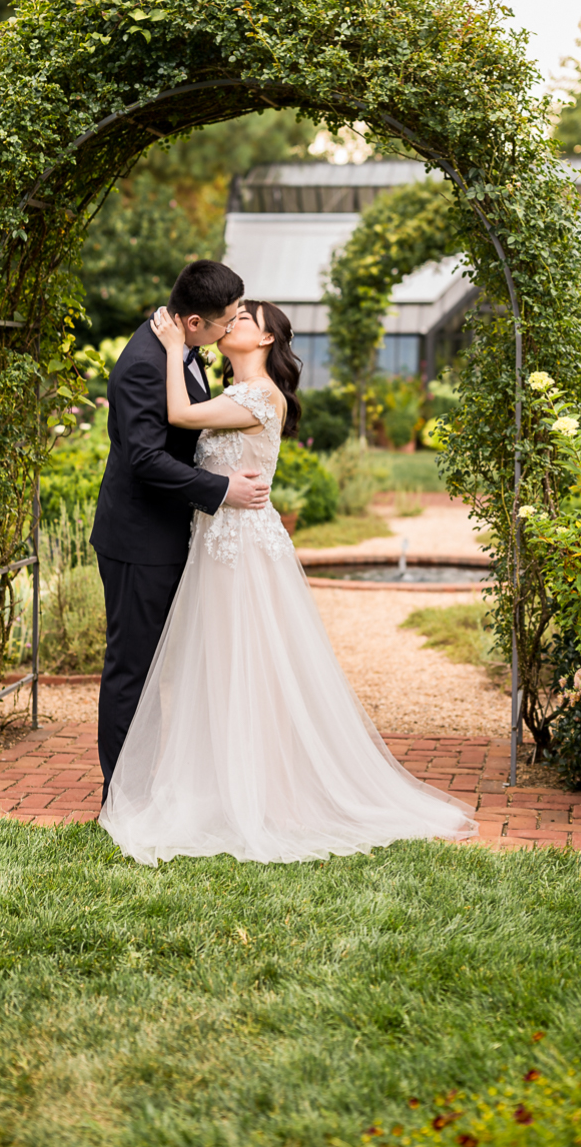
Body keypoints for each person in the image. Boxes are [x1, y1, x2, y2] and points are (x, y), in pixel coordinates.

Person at [99, 298, 478, 864]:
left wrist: (177, 347)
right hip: (213, 543)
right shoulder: (225, 391)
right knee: (216, 670)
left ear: (267, 340)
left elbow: (178, 418)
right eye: (229, 317)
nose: (232, 325)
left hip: (242, 549)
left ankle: (258, 796)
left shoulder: (256, 396)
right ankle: (216, 786)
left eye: (244, 320)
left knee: (250, 669)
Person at [90, 260, 271, 803]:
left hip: (168, 536)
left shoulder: (180, 348)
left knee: (161, 668)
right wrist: (219, 490)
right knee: (132, 669)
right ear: (194, 322)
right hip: (139, 540)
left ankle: (157, 783)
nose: (229, 329)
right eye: (224, 323)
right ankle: (122, 797)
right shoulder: (147, 362)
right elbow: (144, 457)